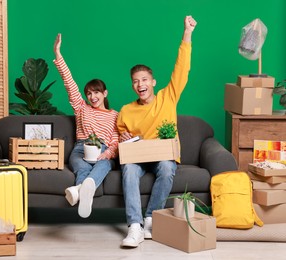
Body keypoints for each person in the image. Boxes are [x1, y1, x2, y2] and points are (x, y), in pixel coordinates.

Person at [117, 15, 197, 248]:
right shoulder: (126, 110)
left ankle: (151, 218)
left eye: (144, 80)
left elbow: (182, 68)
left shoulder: (168, 97)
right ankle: (134, 226)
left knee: (166, 166)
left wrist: (187, 33)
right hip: (138, 159)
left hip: (163, 155)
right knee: (128, 169)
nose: (140, 84)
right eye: (135, 81)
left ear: (153, 82)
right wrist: (122, 136)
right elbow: (121, 135)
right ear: (132, 85)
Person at [53, 33, 119, 218]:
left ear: (105, 93)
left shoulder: (115, 116)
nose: (92, 97)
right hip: (81, 149)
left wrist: (107, 153)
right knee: (81, 168)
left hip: (103, 150)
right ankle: (86, 188)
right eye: (89, 93)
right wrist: (58, 54)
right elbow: (69, 83)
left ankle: (79, 190)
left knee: (105, 164)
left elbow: (115, 141)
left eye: (96, 92)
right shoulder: (81, 108)